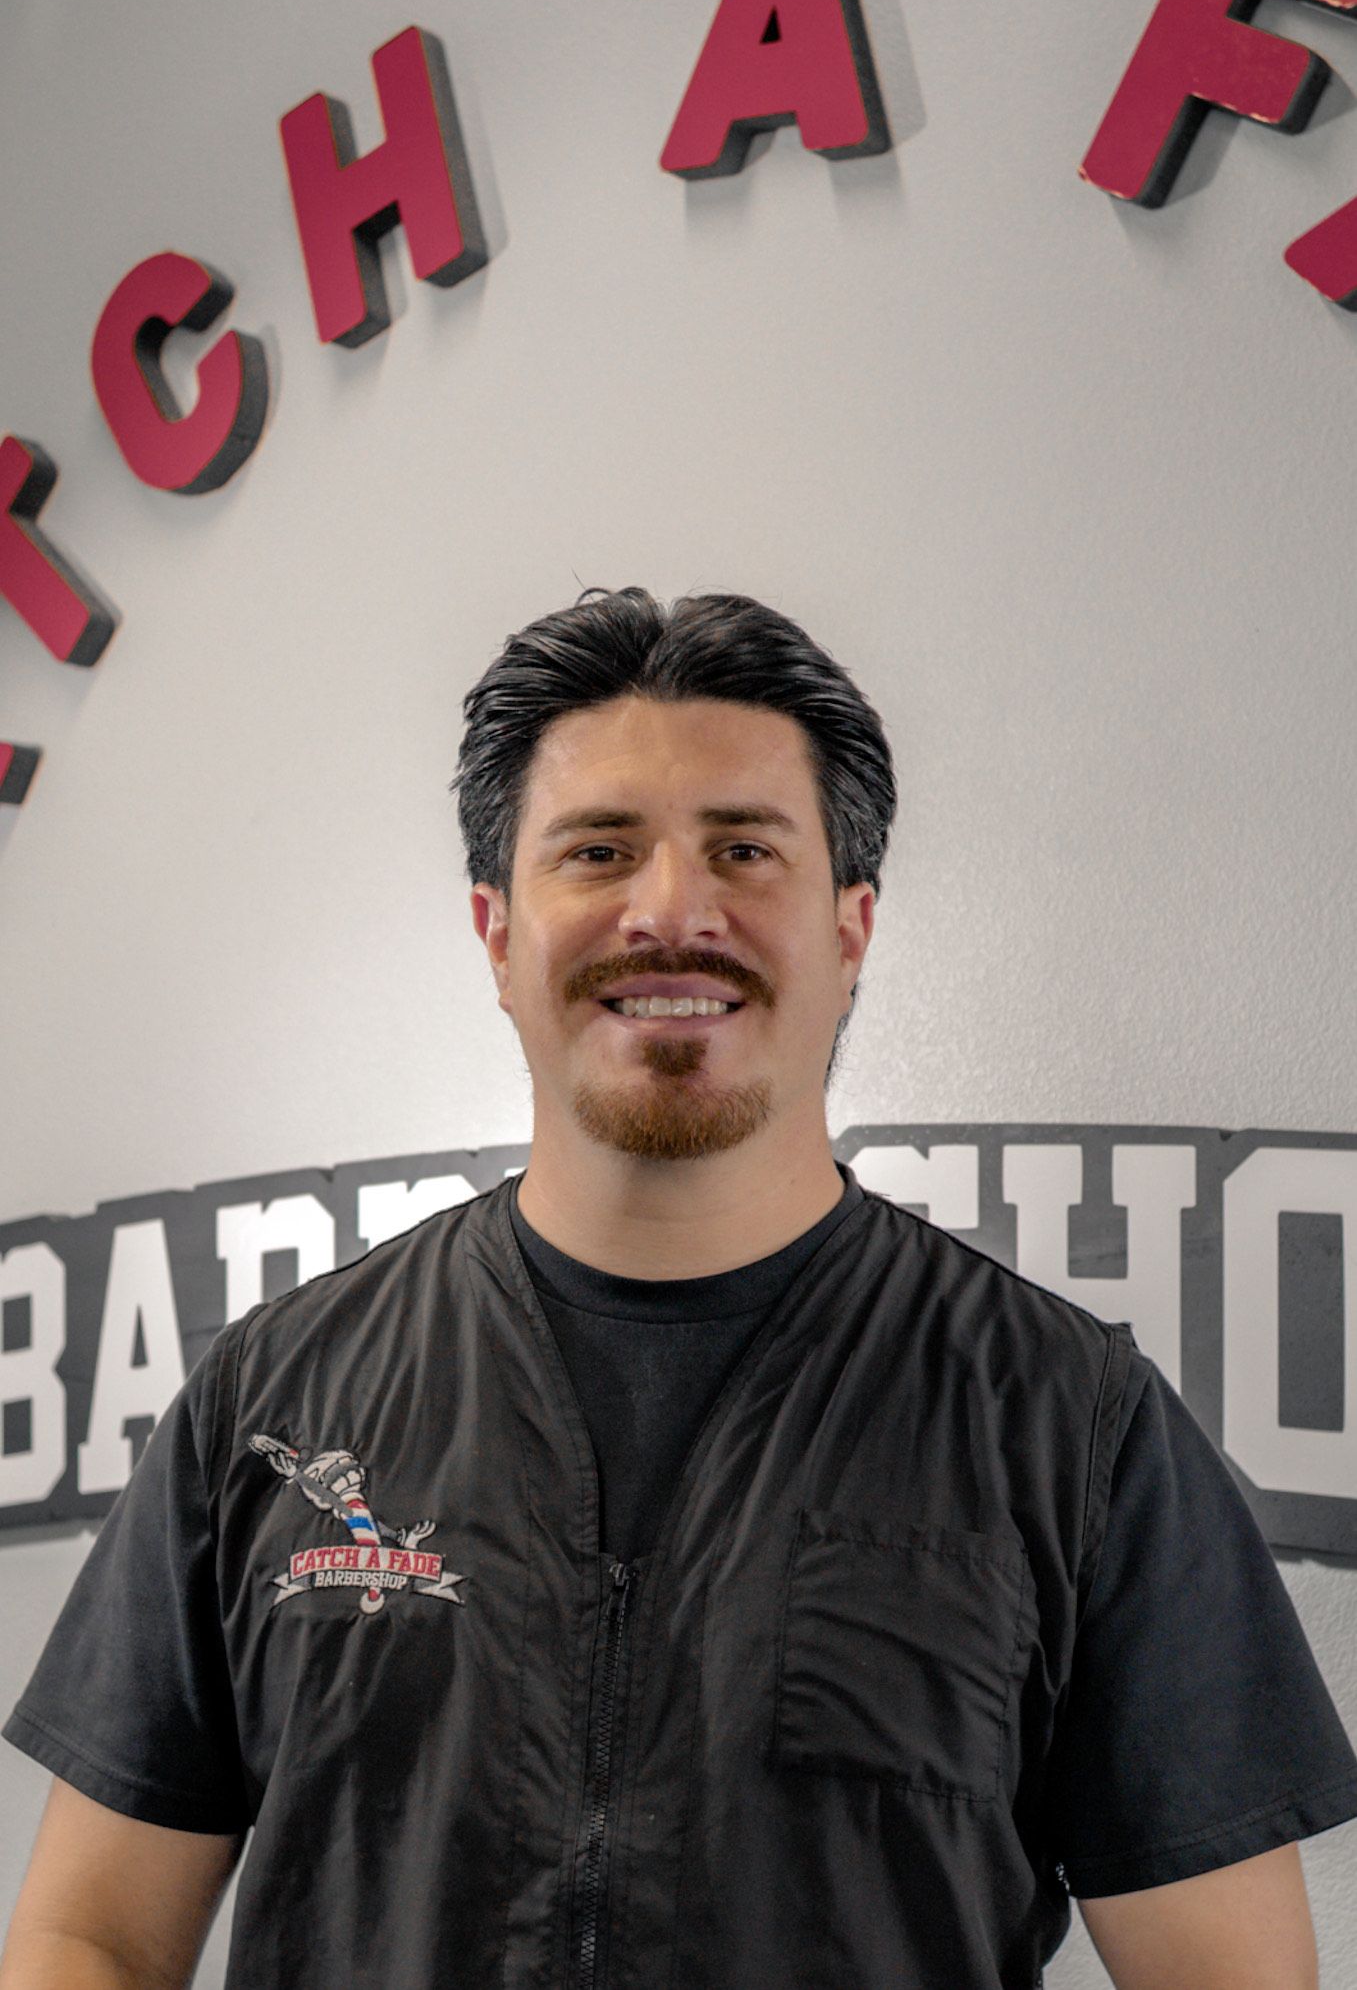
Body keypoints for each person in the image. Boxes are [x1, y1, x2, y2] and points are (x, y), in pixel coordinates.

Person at [2, 586, 1355, 1990]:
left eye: (743, 850)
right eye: (597, 850)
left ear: (848, 928)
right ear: (494, 933)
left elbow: (1230, 1976)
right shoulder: (273, 1402)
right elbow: (87, 1933)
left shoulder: (1069, 1425)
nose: (669, 911)